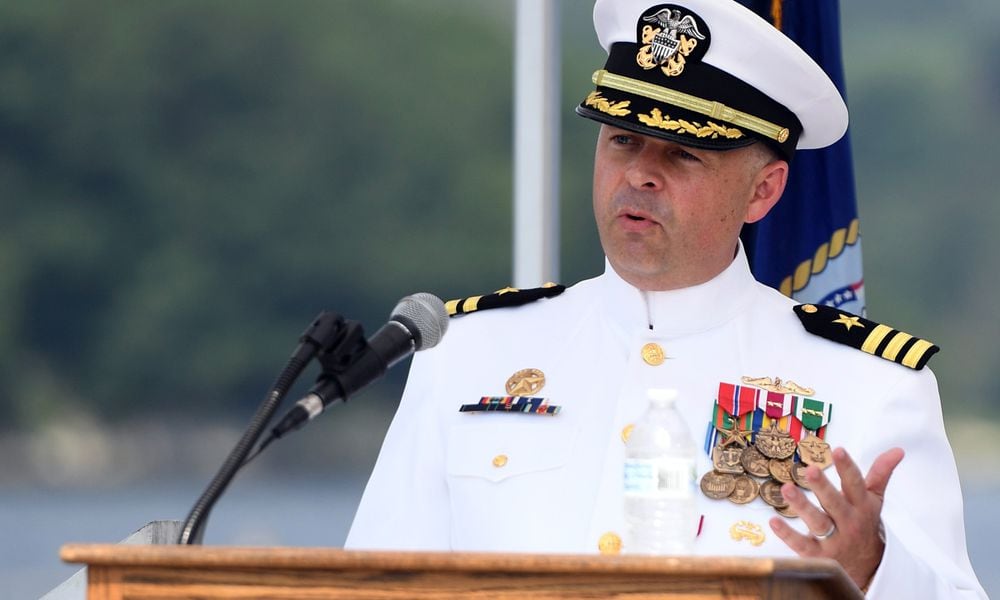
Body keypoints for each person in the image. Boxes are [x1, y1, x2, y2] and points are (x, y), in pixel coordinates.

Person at [345, 1, 985, 597]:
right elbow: (374, 579)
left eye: (683, 153)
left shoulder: (871, 383)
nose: (639, 173)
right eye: (622, 139)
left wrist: (872, 569)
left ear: (763, 192)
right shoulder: (468, 351)